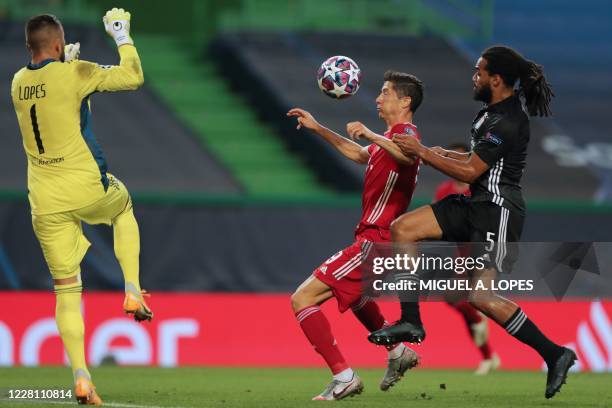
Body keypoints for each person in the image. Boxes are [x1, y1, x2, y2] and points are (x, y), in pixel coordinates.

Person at [367, 45, 576, 399]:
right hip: (475, 203)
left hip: (498, 211)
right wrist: (437, 151)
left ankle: (555, 353)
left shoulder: (507, 119)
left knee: (479, 296)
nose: (474, 76)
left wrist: (423, 153)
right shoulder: (488, 115)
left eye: (479, 71)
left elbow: (470, 170)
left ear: (496, 79)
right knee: (403, 228)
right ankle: (411, 320)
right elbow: (470, 158)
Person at [11, 9, 151, 405]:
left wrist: (65, 63)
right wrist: (121, 36)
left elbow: (53, 96)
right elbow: (132, 77)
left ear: (28, 48)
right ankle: (133, 290)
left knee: (66, 289)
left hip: (44, 201)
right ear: (58, 44)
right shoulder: (76, 73)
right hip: (85, 186)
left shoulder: (18, 82)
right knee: (123, 208)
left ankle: (81, 376)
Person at [287, 71, 423, 400]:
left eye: (386, 93)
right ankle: (396, 351)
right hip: (374, 239)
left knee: (302, 299)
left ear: (405, 101)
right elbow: (358, 154)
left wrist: (370, 133)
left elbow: (409, 154)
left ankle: (344, 376)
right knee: (355, 297)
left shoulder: (405, 134)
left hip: (378, 241)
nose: (378, 98)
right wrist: (319, 128)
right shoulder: (388, 141)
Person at [434, 142, 500, 375]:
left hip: (483, 250)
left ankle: (487, 354)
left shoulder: (479, 188)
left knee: (470, 299)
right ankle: (488, 355)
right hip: (462, 252)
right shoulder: (445, 190)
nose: (458, 162)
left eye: (463, 158)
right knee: (455, 299)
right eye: (454, 158)